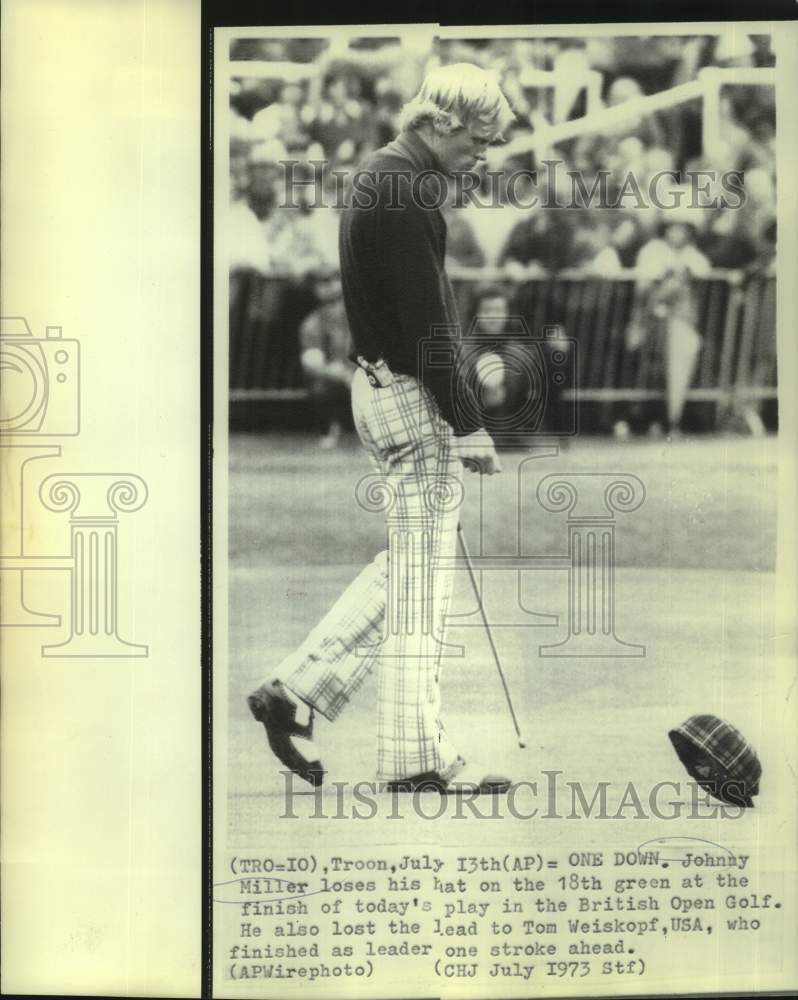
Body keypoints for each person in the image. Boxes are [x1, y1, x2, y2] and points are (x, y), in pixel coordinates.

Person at [248, 63, 516, 793]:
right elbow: (429, 323)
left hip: (380, 388)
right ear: (439, 122)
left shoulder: (383, 173)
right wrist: (468, 425)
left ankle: (296, 690)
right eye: (479, 138)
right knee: (423, 588)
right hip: (408, 396)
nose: (483, 155)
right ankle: (415, 759)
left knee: (411, 565)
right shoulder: (405, 187)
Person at [298, 268, 355, 449]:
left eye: (333, 280)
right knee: (321, 386)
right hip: (339, 377)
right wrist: (343, 375)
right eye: (323, 283)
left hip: (368, 372)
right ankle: (331, 431)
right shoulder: (313, 322)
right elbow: (312, 361)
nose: (328, 287)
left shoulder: (362, 314)